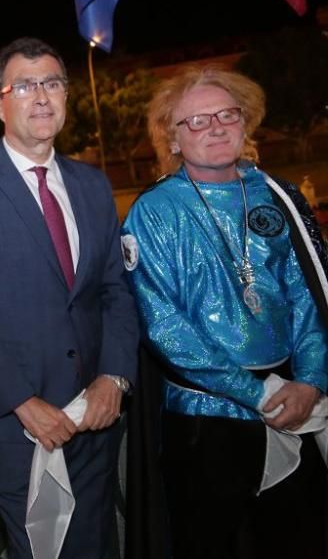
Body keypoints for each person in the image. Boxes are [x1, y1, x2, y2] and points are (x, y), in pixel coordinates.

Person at [0, 37, 140, 558]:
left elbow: (115, 290)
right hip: (16, 428)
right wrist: (24, 403)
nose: (42, 96)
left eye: (52, 83)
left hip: (93, 420)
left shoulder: (93, 185)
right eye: (24, 85)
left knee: (97, 545)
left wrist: (114, 377)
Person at [121, 66, 327, 558]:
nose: (215, 127)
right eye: (195, 121)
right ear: (171, 138)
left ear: (245, 122)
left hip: (297, 404)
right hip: (207, 421)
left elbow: (309, 296)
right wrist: (256, 393)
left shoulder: (279, 196)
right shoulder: (153, 212)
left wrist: (312, 380)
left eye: (226, 114)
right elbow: (163, 324)